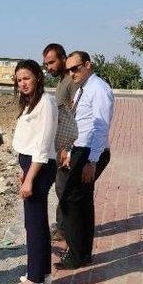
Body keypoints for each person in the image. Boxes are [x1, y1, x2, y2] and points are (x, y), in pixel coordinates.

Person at [56, 51, 114, 270]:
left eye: (75, 68)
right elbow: (80, 124)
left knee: (71, 199)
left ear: (87, 65)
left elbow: (100, 127)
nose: (72, 73)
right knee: (82, 202)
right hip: (81, 150)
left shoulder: (98, 89)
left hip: (91, 153)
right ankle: (82, 253)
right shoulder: (84, 88)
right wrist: (69, 150)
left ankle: (77, 253)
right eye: (68, 70)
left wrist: (92, 161)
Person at [7, 59, 58, 284]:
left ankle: (35, 278)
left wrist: (29, 178)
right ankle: (42, 273)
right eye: (19, 80)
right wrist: (23, 172)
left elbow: (43, 145)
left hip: (39, 166)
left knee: (34, 224)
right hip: (31, 166)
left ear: (38, 76)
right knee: (35, 222)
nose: (23, 83)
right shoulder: (31, 103)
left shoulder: (46, 102)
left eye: (26, 78)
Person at [42, 43, 79, 244]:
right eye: (46, 64)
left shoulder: (71, 81)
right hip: (63, 145)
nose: (49, 67)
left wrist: (69, 149)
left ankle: (65, 230)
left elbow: (76, 115)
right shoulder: (63, 80)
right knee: (61, 187)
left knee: (64, 188)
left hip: (68, 147)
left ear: (63, 58)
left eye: (52, 62)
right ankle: (64, 226)